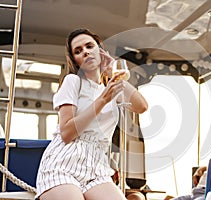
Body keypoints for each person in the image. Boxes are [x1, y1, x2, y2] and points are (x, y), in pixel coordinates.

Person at [35, 28, 148, 200]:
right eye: (78, 51)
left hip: (97, 167)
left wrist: (112, 74)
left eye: (89, 46)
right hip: (63, 163)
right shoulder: (73, 81)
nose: (85, 52)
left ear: (100, 51)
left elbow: (142, 106)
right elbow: (67, 133)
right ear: (76, 61)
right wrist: (102, 100)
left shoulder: (109, 89)